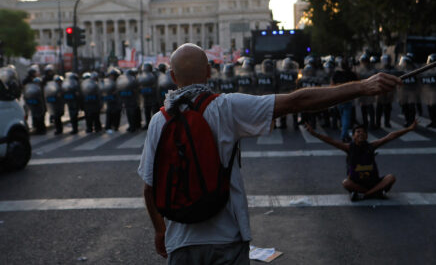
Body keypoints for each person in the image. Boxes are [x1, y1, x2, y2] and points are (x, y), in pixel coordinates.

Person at [138, 43, 401, 263]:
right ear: (209, 72)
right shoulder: (227, 107)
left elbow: (149, 188)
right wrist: (362, 87)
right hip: (227, 239)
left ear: (172, 76)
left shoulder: (159, 121)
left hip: (180, 241)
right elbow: (296, 101)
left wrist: (160, 231)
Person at [305, 121, 416, 201]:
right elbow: (330, 141)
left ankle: (366, 194)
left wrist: (409, 129)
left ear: (367, 136)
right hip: (357, 184)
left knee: (391, 178)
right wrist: (314, 134)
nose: (360, 134)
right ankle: (375, 193)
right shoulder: (349, 148)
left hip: (374, 182)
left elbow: (390, 136)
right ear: (353, 136)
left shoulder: (371, 146)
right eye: (358, 132)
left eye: (363, 132)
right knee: (345, 183)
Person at [331, 57, 358, 141]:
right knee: (346, 117)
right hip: (347, 98)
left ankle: (344, 134)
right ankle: (344, 135)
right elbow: (357, 85)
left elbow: (332, 84)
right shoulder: (352, 74)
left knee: (343, 116)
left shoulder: (337, 73)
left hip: (339, 98)